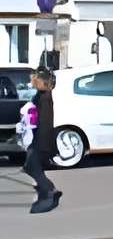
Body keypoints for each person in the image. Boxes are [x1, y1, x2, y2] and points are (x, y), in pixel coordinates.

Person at [22, 67, 61, 214]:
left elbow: (43, 122)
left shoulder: (43, 97)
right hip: (39, 138)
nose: (32, 80)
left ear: (41, 82)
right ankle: (49, 189)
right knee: (31, 167)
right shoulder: (43, 95)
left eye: (34, 78)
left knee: (32, 167)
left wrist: (38, 142)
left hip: (41, 140)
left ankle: (49, 191)